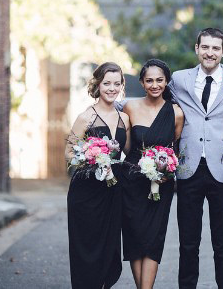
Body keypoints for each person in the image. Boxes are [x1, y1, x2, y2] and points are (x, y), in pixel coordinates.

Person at [169, 28, 223, 289]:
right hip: (188, 167)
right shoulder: (179, 79)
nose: (210, 53)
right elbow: (157, 104)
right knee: (188, 242)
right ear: (196, 48)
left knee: (222, 242)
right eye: (205, 47)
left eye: (216, 48)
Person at [66, 62, 131, 289]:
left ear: (122, 85)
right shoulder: (86, 117)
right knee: (87, 249)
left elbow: (127, 153)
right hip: (86, 194)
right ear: (98, 85)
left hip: (113, 193)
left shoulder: (125, 119)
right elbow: (69, 152)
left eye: (116, 83)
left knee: (109, 250)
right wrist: (94, 158)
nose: (111, 88)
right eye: (106, 83)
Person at [120, 59, 184, 289]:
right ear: (142, 82)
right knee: (134, 237)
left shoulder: (176, 113)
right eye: (149, 80)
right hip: (132, 183)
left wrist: (167, 171)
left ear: (166, 82)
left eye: (159, 80)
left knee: (153, 239)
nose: (155, 85)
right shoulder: (130, 107)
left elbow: (175, 149)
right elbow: (126, 148)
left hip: (161, 183)